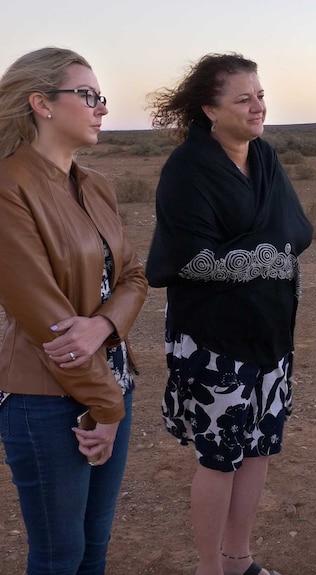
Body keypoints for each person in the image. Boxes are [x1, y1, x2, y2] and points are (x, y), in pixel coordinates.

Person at [145, 53, 313, 575]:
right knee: (219, 458)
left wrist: (248, 252)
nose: (258, 106)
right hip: (213, 342)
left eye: (260, 95)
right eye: (244, 99)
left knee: (258, 449)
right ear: (209, 110)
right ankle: (208, 568)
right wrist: (268, 253)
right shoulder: (187, 169)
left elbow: (298, 231)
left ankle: (238, 559)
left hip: (269, 332)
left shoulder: (264, 158)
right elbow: (190, 257)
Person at [0, 47, 147, 574]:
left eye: (100, 97)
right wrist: (107, 408)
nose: (101, 108)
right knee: (59, 556)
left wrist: (107, 323)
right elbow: (48, 323)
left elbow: (133, 276)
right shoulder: (8, 186)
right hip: (46, 401)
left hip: (113, 386)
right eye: (87, 96)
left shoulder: (96, 185)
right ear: (41, 103)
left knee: (94, 548)